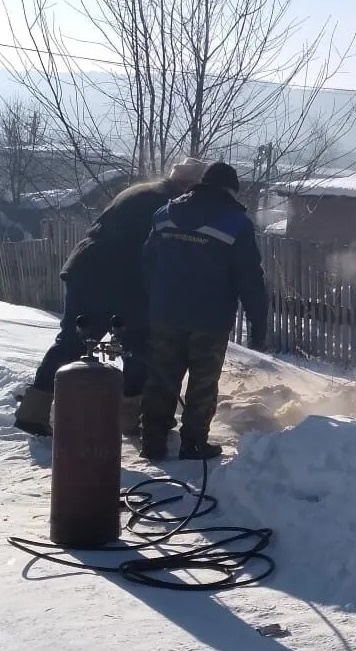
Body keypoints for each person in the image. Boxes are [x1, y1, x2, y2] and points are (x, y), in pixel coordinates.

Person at [13, 157, 207, 439]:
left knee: (72, 341)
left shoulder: (140, 191)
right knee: (137, 345)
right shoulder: (169, 205)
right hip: (120, 278)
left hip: (85, 269)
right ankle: (129, 419)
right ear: (188, 184)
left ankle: (34, 411)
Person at [139, 162, 267, 461]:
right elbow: (249, 277)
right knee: (203, 381)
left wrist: (156, 297)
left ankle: (152, 442)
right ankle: (193, 443)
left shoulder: (164, 214)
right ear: (228, 189)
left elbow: (147, 262)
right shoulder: (236, 223)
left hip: (165, 312)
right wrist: (258, 323)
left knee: (161, 375)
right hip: (210, 317)